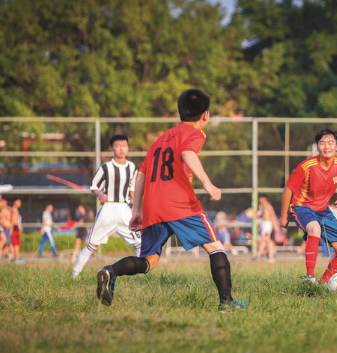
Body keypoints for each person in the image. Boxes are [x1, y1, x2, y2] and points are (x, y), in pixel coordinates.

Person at [96, 88, 247, 310]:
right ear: (205, 114)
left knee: (149, 261)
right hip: (180, 204)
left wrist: (137, 210)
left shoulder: (159, 140)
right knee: (216, 248)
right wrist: (208, 183)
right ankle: (227, 302)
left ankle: (111, 271)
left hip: (153, 206)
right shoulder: (195, 133)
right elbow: (188, 153)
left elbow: (142, 174)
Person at [280, 128, 337, 284]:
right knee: (315, 229)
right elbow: (288, 189)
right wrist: (284, 216)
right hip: (302, 207)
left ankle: (323, 283)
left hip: (323, 210)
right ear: (317, 146)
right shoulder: (306, 166)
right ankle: (310, 278)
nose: (327, 147)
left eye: (330, 143)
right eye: (322, 143)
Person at [72, 135, 142, 278]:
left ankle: (141, 276)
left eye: (124, 145)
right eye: (118, 145)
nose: (121, 148)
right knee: (92, 244)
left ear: (128, 148)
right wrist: (100, 194)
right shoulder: (106, 167)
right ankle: (75, 273)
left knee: (139, 242)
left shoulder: (132, 167)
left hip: (124, 209)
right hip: (108, 209)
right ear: (112, 149)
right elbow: (93, 186)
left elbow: (132, 187)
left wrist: (135, 207)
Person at [254, 194, 281, 263]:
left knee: (266, 240)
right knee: (265, 240)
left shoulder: (269, 206)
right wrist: (254, 212)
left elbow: (273, 216)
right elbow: (261, 216)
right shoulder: (263, 207)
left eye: (261, 198)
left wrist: (276, 225)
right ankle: (263, 255)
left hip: (268, 224)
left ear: (264, 199)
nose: (259, 200)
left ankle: (265, 255)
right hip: (264, 224)